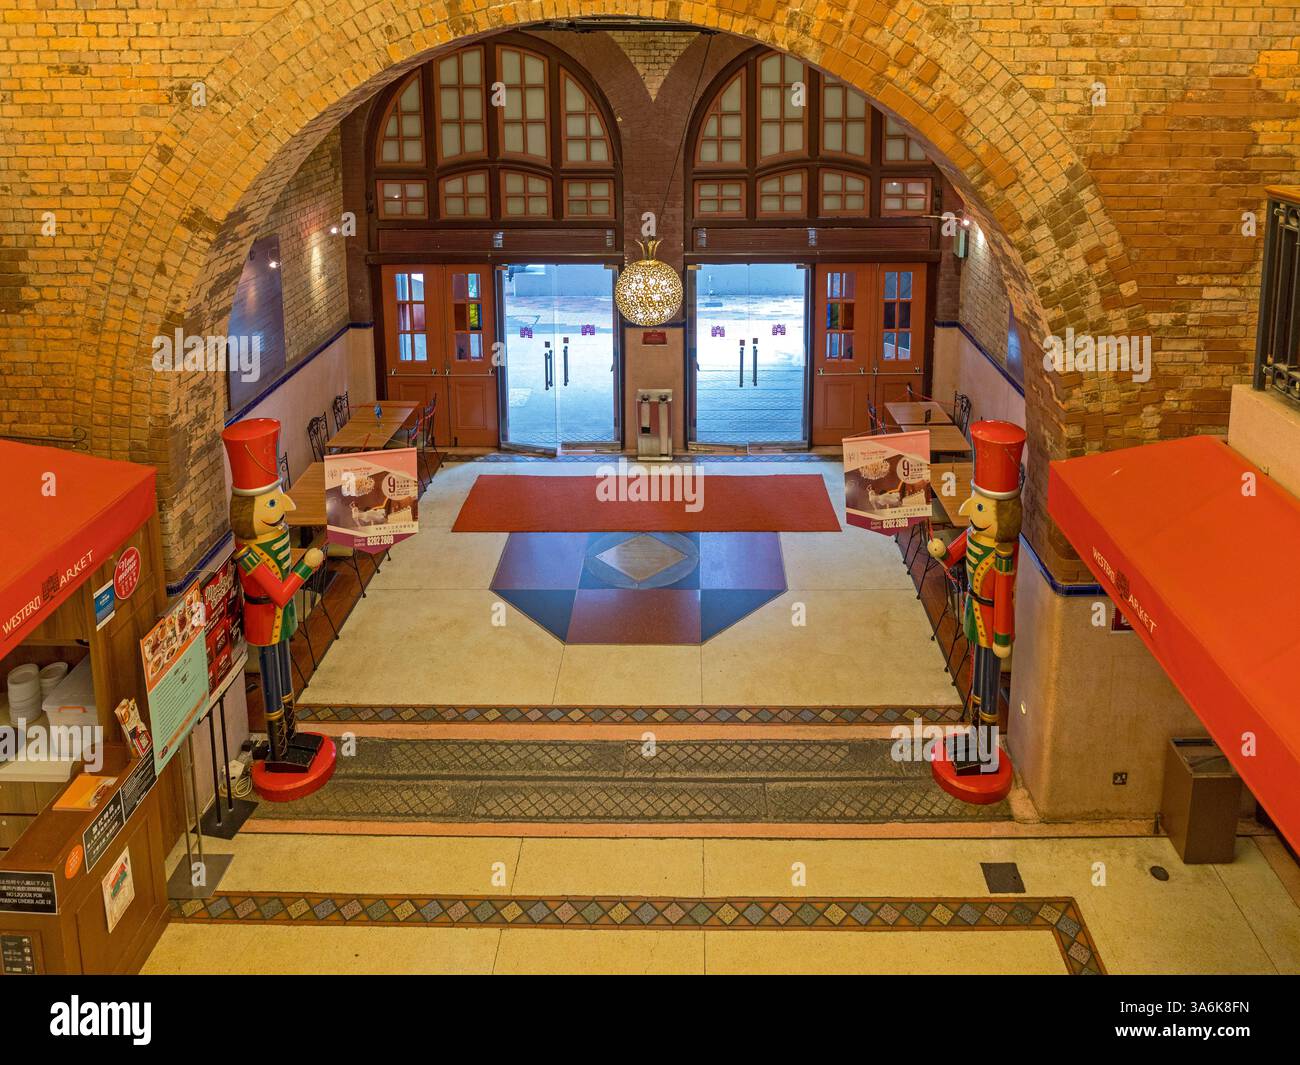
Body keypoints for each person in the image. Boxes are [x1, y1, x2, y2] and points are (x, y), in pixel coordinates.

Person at [221, 418, 327, 775]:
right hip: (266, 618)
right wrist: (307, 565)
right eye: (271, 503)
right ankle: (279, 746)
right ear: (248, 511)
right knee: (272, 673)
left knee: (284, 673)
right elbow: (280, 593)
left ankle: (292, 733)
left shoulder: (274, 539)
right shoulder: (249, 554)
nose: (282, 508)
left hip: (279, 621)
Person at [927, 420, 1025, 774]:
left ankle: (984, 747)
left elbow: (1003, 596)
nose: (971, 511)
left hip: (988, 622)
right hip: (972, 611)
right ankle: (973, 731)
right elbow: (955, 553)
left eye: (980, 507)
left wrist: (1001, 637)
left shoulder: (1003, 556)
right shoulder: (974, 535)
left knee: (986, 678)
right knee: (974, 675)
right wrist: (941, 550)